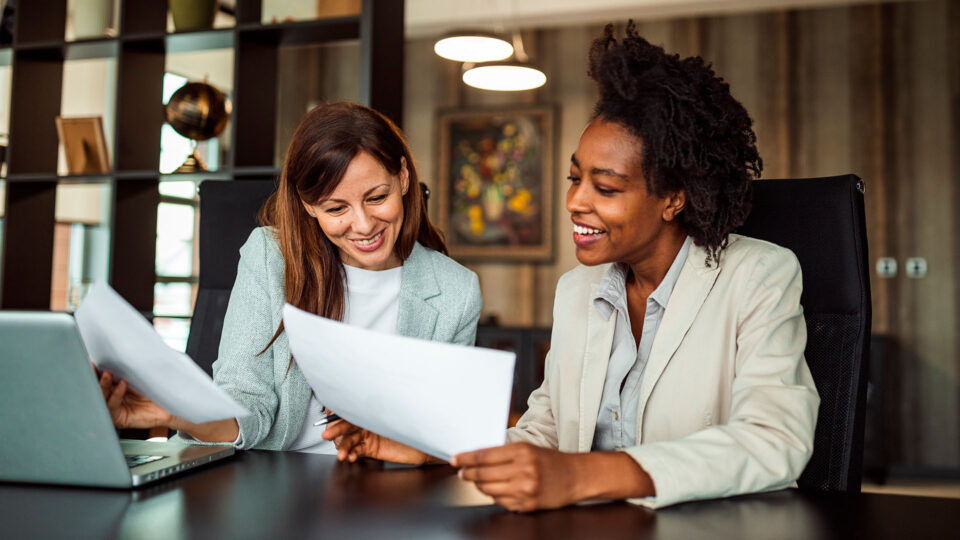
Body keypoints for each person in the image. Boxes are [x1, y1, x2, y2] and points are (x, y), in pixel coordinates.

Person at [324, 23, 819, 510]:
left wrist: (583, 476)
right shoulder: (577, 289)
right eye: (574, 178)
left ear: (673, 197)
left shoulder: (758, 275)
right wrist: (435, 449)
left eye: (605, 188)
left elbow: (774, 439)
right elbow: (548, 429)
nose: (575, 202)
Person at [96, 102, 482, 453]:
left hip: (386, 487)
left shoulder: (455, 291)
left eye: (377, 197)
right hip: (273, 480)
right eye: (336, 208)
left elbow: (444, 434)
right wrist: (174, 412)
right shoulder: (270, 257)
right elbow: (246, 402)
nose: (363, 225)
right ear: (308, 205)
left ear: (402, 177)